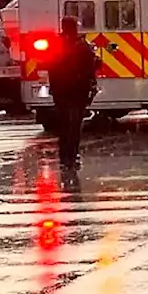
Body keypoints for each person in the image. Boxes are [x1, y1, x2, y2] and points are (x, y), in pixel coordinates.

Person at [47, 15, 98, 175]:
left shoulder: (55, 44)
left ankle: (64, 156)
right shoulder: (82, 45)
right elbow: (91, 67)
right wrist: (91, 84)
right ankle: (72, 155)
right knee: (75, 124)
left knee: (64, 123)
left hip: (60, 90)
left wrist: (53, 85)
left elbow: (49, 65)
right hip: (77, 89)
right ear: (75, 27)